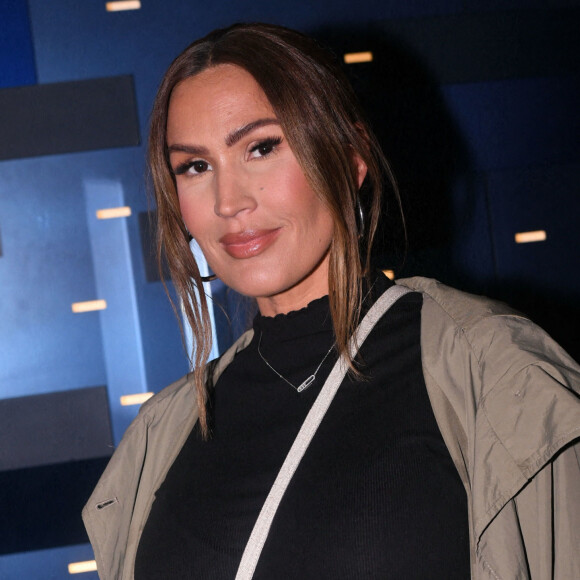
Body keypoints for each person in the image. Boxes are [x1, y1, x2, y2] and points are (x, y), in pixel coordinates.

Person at [83, 23, 580, 580]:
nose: (230, 202)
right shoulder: (160, 437)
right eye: (195, 167)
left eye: (261, 147)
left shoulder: (493, 374)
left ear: (351, 159)